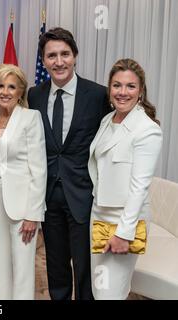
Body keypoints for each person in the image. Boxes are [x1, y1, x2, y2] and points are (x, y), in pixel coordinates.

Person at [27, 27, 111, 300]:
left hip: (84, 195)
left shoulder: (98, 95)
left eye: (64, 54)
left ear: (75, 56)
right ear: (43, 60)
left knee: (86, 267)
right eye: (51, 55)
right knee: (56, 265)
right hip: (49, 195)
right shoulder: (34, 95)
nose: (58, 61)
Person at [88, 58, 162, 299]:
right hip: (99, 216)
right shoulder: (106, 121)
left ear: (140, 91)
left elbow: (139, 187)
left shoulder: (147, 129)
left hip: (123, 221)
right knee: (101, 288)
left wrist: (124, 232)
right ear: (109, 89)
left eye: (130, 86)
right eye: (117, 85)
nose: (122, 92)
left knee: (110, 293)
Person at [0, 64, 47, 299]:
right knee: (1, 265)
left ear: (20, 92)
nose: (5, 92)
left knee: (23, 268)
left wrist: (33, 213)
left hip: (23, 204)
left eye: (12, 87)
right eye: (0, 86)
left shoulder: (30, 117)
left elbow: (38, 169)